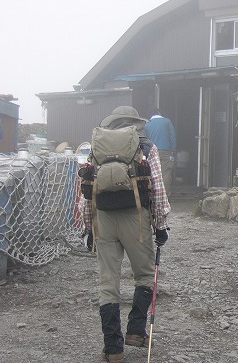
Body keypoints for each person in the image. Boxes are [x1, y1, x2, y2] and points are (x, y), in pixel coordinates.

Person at [81, 106, 170, 362]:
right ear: (135, 124)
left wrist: (89, 227)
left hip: (104, 219)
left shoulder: (97, 148)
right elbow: (158, 190)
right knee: (143, 274)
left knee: (108, 283)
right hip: (136, 218)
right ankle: (135, 330)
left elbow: (86, 189)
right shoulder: (146, 148)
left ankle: (113, 348)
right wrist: (161, 225)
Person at [144, 109, 176, 197]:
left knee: (153, 173)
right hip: (166, 151)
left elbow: (145, 140)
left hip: (152, 151)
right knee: (166, 173)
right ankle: (165, 195)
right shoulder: (167, 122)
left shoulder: (147, 125)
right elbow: (172, 136)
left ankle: (154, 195)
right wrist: (172, 150)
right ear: (159, 113)